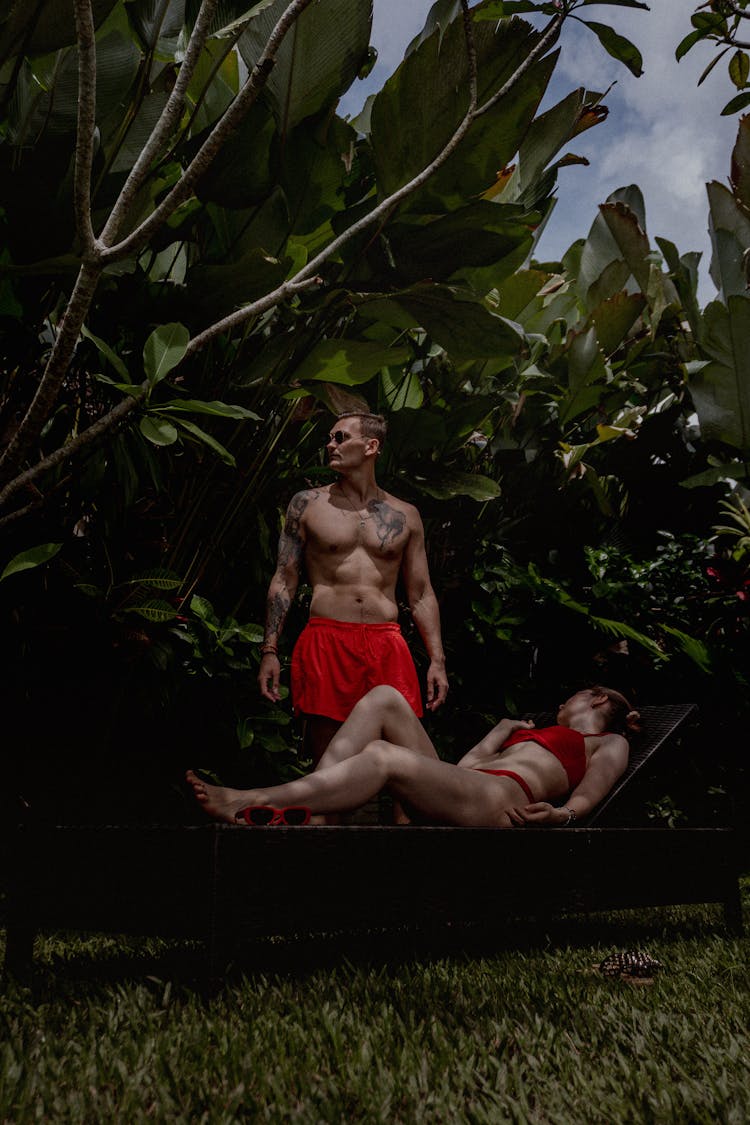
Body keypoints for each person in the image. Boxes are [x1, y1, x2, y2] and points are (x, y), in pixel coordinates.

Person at [258, 411, 448, 763]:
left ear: (371, 446)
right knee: (330, 766)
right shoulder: (307, 504)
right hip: (327, 639)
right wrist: (269, 650)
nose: (330, 445)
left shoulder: (406, 514)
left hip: (387, 643)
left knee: (406, 769)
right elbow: (284, 579)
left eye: (340, 437)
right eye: (330, 438)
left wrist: (437, 659)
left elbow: (421, 594)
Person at [187, 684, 640, 828]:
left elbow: (593, 790)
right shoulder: (530, 734)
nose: (562, 704)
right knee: (384, 697)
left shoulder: (606, 743)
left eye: (572, 697)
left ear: (597, 699)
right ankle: (315, 815)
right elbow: (462, 771)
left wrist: (563, 816)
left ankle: (251, 800)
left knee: (384, 755)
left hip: (504, 802)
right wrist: (495, 735)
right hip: (472, 788)